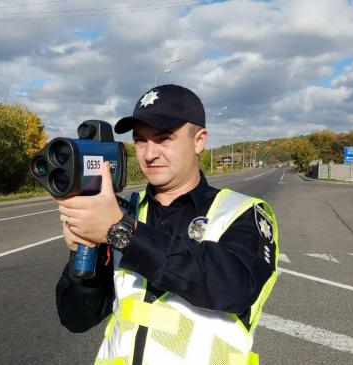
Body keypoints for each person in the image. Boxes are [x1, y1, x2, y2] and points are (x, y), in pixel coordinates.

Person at [54, 84, 279, 365]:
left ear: (199, 140)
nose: (149, 154)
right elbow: (76, 319)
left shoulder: (242, 212)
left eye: (163, 139)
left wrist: (122, 232)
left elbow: (234, 286)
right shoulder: (126, 212)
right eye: (140, 141)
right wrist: (81, 256)